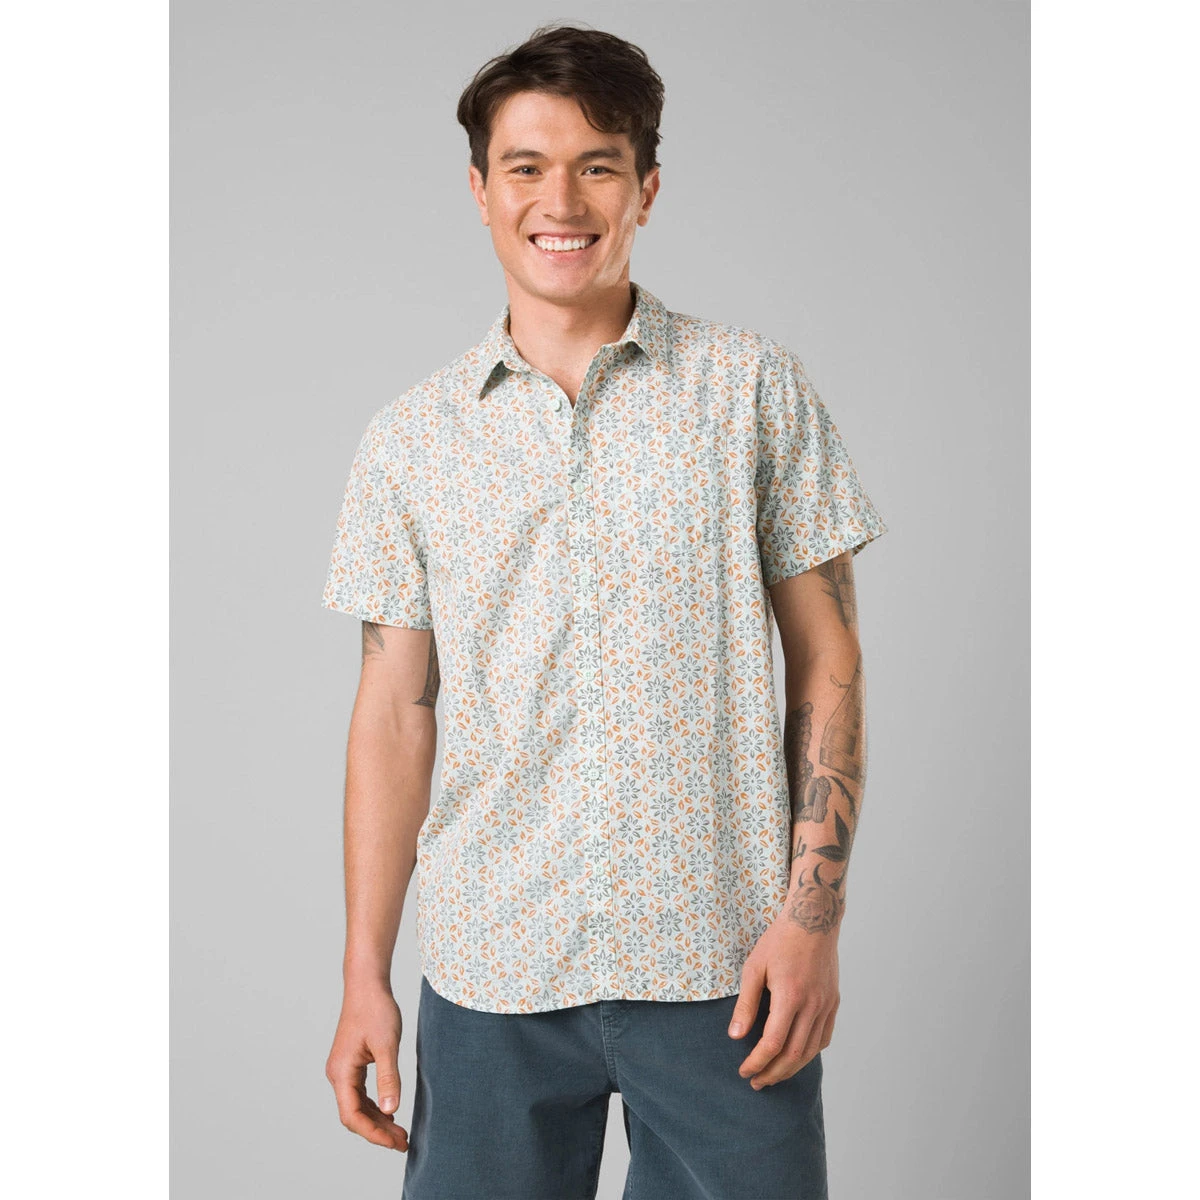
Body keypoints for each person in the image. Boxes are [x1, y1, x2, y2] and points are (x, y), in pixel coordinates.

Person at [321, 21, 887, 1200]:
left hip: (726, 969)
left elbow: (827, 659)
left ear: (647, 188)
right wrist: (364, 974)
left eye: (597, 165)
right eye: (526, 166)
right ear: (480, 190)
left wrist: (812, 919)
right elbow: (393, 714)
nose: (561, 201)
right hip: (494, 973)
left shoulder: (751, 390)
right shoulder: (410, 441)